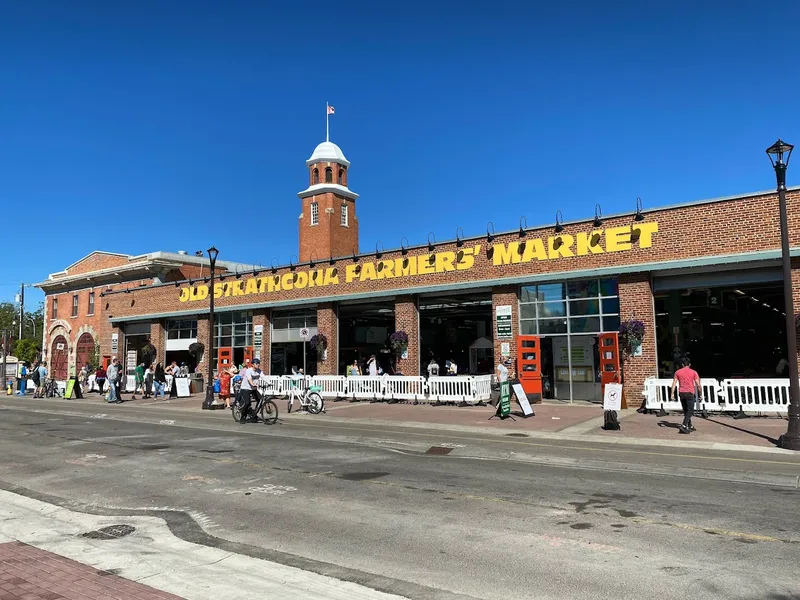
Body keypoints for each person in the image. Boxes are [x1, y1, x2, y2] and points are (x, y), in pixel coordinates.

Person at [671, 358, 702, 434]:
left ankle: (690, 425)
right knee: (690, 411)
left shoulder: (677, 372)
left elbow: (674, 383)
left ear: (682, 364)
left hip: (681, 393)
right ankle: (684, 425)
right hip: (689, 393)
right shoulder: (693, 372)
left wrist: (672, 394)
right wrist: (700, 394)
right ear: (689, 364)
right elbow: (698, 385)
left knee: (686, 410)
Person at [237, 358, 261, 424]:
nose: (258, 364)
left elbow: (264, 377)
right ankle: (243, 417)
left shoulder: (259, 371)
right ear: (253, 364)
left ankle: (254, 415)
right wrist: (253, 384)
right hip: (245, 388)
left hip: (253, 389)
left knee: (260, 400)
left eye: (259, 363)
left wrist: (270, 383)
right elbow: (249, 379)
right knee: (247, 402)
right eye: (257, 363)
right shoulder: (248, 371)